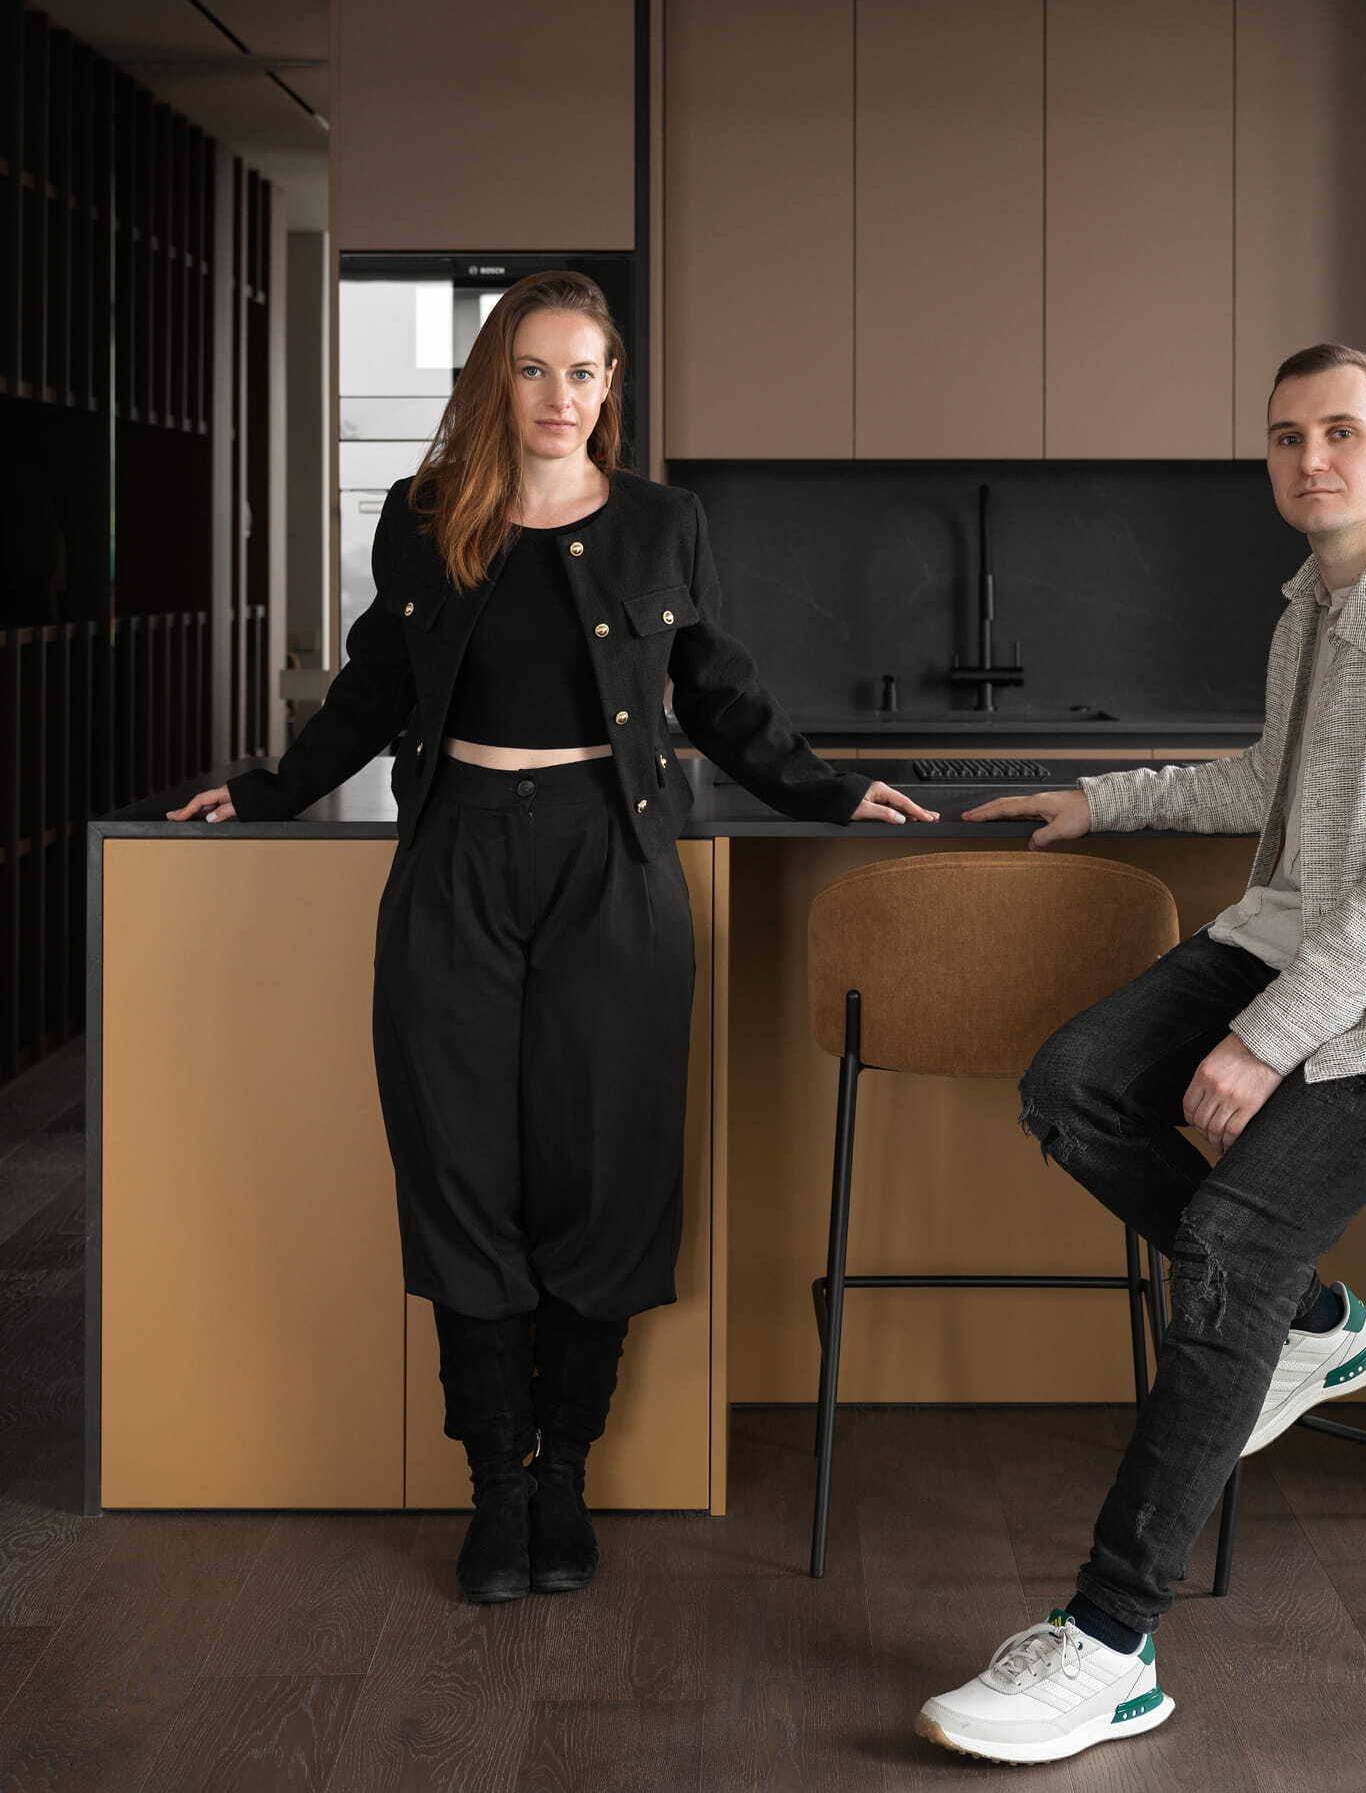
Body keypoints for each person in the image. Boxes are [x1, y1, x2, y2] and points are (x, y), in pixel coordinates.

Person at [168, 269, 939, 1603]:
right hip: (457, 855)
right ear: (497, 380)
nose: (560, 396)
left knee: (606, 1165)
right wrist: (271, 788)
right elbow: (373, 687)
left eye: (584, 372)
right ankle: (497, 1490)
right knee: (458, 1165)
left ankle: (564, 1474)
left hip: (610, 862)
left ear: (610, 386)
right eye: (534, 369)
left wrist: (824, 790)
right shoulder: (425, 519)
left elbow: (720, 695)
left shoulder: (660, 524)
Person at [916, 341, 1366, 1765]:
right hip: (1303, 932)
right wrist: (1104, 801)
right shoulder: (1313, 609)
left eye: (1341, 433)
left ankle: (1111, 1644)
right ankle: (1317, 1325)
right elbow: (1272, 779)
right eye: (1287, 437)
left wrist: (1266, 1042)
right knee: (1073, 1090)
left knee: (1228, 1243)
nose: (1310, 458)